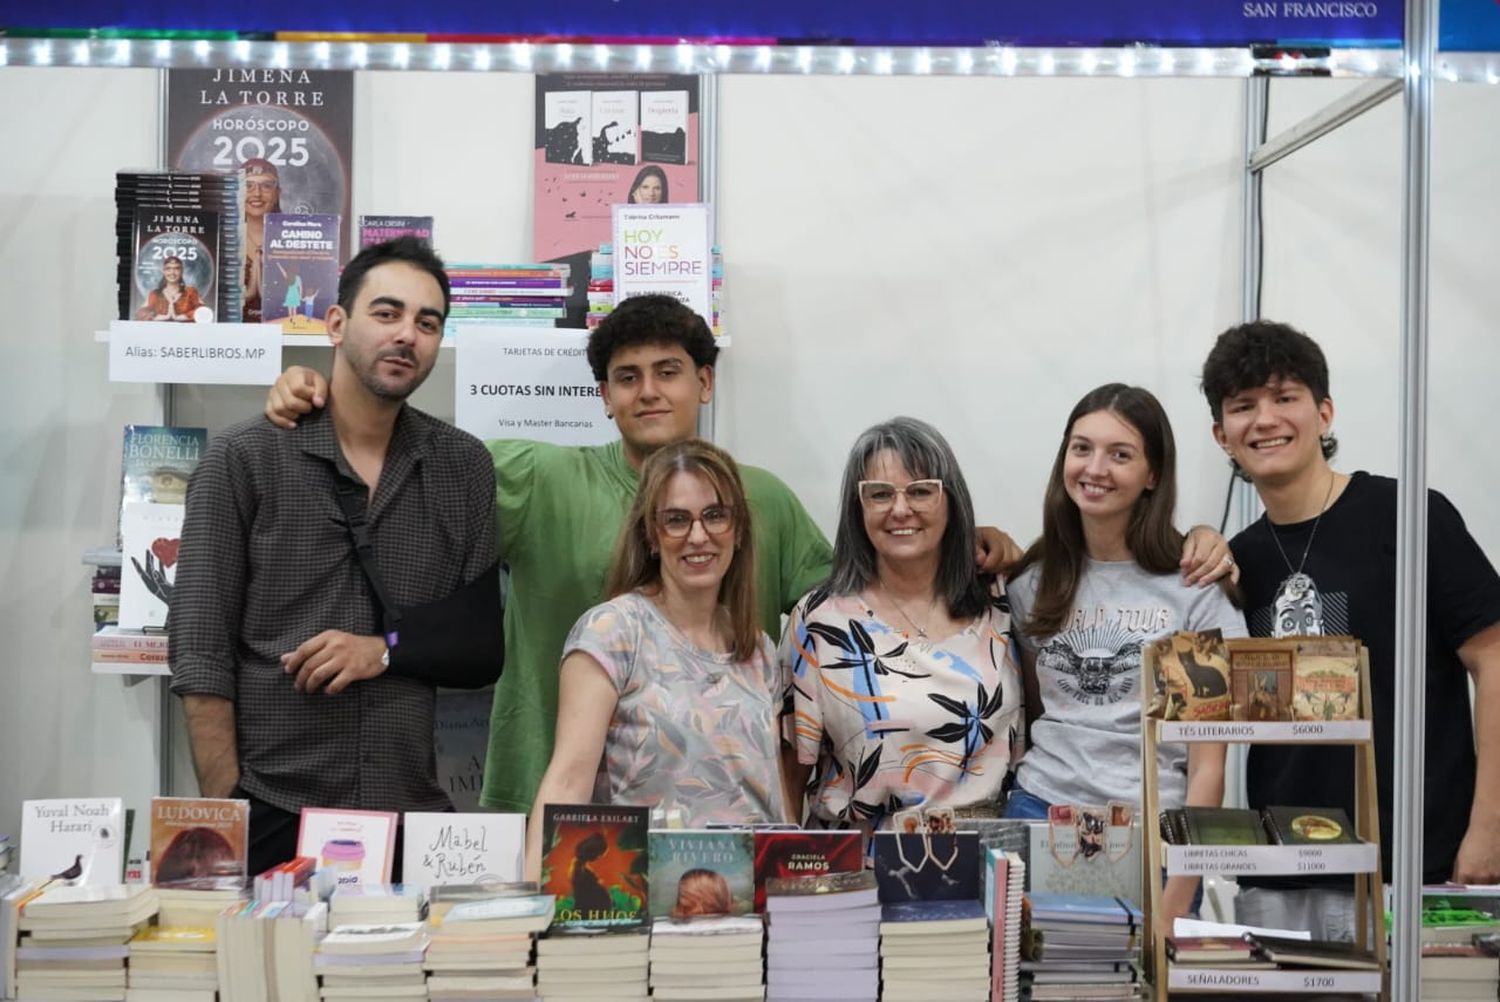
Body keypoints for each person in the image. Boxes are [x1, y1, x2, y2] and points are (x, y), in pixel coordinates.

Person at [261, 296, 1225, 816]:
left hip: (819, 857)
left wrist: (989, 554)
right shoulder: (538, 480)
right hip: (565, 808)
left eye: (669, 372)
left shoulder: (774, 538)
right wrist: (318, 387)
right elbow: (416, 459)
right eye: (627, 378)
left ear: (706, 383)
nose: (699, 536)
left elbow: (860, 597)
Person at [170, 237, 504, 875]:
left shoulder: (463, 467)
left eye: (427, 323)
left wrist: (378, 649)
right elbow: (201, 651)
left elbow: (479, 647)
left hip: (410, 813)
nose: (407, 334)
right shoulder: (244, 458)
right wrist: (229, 806)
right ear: (336, 323)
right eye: (387, 313)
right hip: (273, 803)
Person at [1200, 319, 1500, 939]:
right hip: (1279, 871)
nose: (1265, 420)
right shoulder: (1238, 561)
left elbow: (1494, 661)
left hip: (1416, 862)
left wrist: (1489, 828)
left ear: (1324, 412)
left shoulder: (1411, 515)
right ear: (1221, 434)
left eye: (1285, 398)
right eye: (1243, 406)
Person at [1000, 384, 1246, 925]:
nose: (1095, 468)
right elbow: (1041, 711)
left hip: (1151, 831)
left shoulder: (1192, 588)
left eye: (1121, 454)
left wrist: (1181, 891)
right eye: (1081, 448)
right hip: (1041, 815)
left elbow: (1208, 765)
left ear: (1152, 475)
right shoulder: (1034, 585)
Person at [524, 440, 789, 877]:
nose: (698, 536)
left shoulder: (758, 647)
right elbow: (568, 781)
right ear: (650, 534)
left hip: (752, 909)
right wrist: (530, 910)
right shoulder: (613, 632)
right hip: (648, 907)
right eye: (676, 520)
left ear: (738, 529)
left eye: (715, 515)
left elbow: (773, 797)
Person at [782, 417, 1025, 833]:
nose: (900, 509)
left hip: (987, 863)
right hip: (862, 867)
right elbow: (789, 770)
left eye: (920, 491)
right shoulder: (819, 620)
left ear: (952, 501)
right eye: (879, 494)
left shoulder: (1001, 601)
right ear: (858, 508)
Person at [241, 158, 281, 323]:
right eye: (248, 185)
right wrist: (245, 295)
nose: (256, 193)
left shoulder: (294, 237)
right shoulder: (222, 238)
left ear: (278, 193)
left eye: (266, 186)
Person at [135, 255, 203, 322]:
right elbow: (139, 315)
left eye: (176, 268)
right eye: (168, 268)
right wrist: (160, 317)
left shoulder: (190, 292)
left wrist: (183, 317)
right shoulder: (155, 294)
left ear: (182, 271)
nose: (172, 273)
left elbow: (204, 311)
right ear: (163, 271)